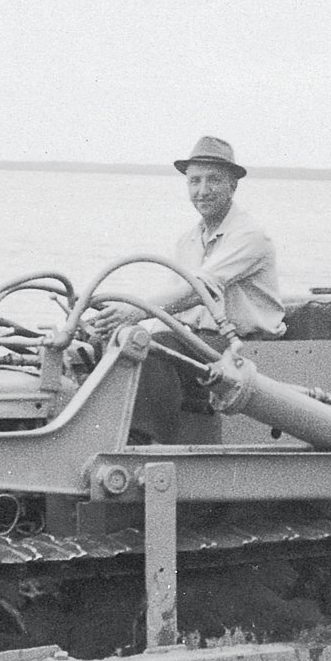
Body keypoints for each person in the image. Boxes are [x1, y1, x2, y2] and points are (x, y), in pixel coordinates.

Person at [90, 136, 284, 442]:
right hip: (200, 343)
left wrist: (134, 312)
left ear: (233, 186)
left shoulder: (249, 236)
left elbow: (200, 290)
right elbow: (173, 304)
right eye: (195, 181)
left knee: (156, 350)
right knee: (120, 343)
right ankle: (106, 432)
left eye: (213, 181)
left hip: (243, 348)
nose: (202, 191)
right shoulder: (188, 241)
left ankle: (142, 444)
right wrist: (114, 324)